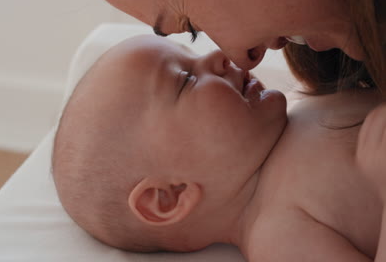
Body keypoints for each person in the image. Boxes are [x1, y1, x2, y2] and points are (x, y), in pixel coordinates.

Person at [52, 35, 383, 261]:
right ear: (170, 195)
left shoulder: (300, 107)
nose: (218, 56)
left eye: (193, 53)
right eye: (186, 80)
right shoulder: (278, 235)